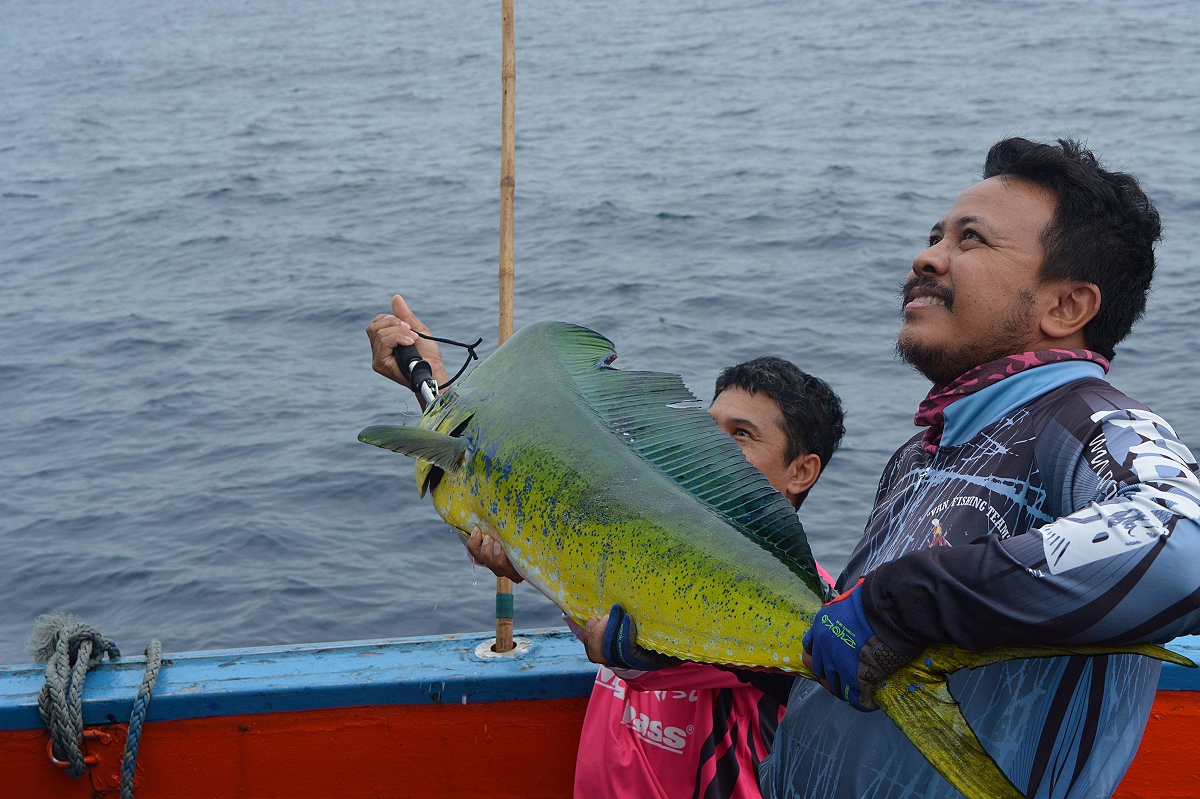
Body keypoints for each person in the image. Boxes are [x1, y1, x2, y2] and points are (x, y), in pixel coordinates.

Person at [757, 138, 1200, 799]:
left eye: (971, 240)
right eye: (936, 233)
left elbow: (1180, 543)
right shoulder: (925, 452)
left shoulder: (1087, 419)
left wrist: (904, 596)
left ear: (1066, 307)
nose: (927, 255)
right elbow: (866, 652)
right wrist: (679, 644)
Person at [366, 310, 845, 798]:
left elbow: (645, 658)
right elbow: (542, 501)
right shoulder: (634, 545)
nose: (714, 449)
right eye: (706, 429)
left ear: (801, 472)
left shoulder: (806, 605)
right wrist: (435, 384)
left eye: (741, 435)